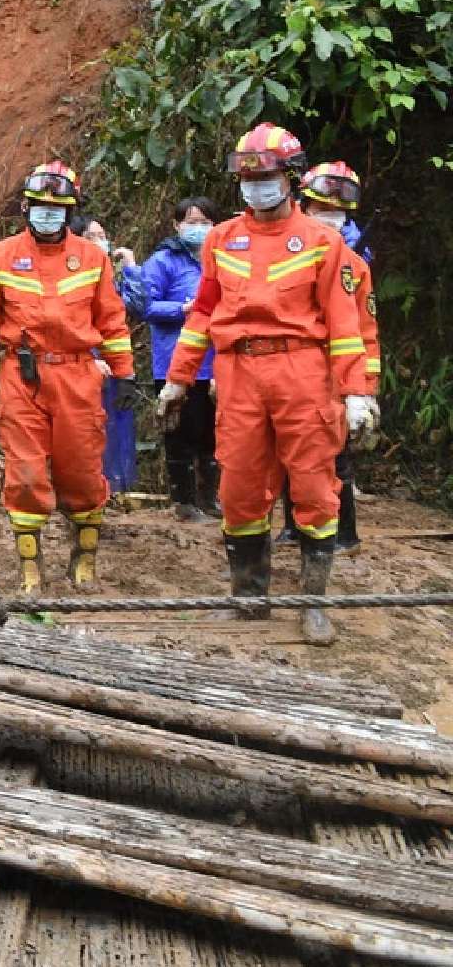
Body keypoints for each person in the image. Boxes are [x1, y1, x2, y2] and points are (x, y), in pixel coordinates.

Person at [157, 125, 376, 645]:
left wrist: (358, 393)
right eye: (248, 178)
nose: (256, 186)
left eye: (266, 176)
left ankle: (313, 603)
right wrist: (178, 379)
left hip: (303, 373)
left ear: (291, 178)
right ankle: (248, 599)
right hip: (238, 375)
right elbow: (203, 313)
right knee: (239, 487)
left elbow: (345, 326)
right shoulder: (221, 239)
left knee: (314, 487)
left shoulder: (323, 242)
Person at [0, 163, 135, 593]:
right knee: (25, 473)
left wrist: (125, 374)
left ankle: (84, 558)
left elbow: (112, 321)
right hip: (22, 377)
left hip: (78, 375)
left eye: (57, 208)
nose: (47, 214)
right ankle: (30, 567)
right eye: (39, 206)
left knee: (82, 471)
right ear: (25, 207)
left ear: (71, 211)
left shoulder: (92, 258)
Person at [280, 162, 379, 555]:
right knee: (287, 453)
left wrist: (364, 391)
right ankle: (292, 528)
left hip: (335, 374)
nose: (329, 217)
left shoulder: (355, 266)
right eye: (322, 209)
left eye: (337, 212)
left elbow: (365, 331)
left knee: (335, 458)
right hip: (288, 371)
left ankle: (344, 534)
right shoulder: (283, 254)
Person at [128, 197, 220, 522]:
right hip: (173, 363)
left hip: (217, 364)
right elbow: (144, 306)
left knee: (213, 434)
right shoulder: (163, 261)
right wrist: (181, 309)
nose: (199, 229)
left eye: (205, 222)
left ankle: (211, 499)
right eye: (192, 222)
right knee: (179, 433)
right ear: (177, 225)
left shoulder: (221, 258)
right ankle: (184, 503)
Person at [78, 219, 137, 498]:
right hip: (82, 364)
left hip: (114, 361)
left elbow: (134, 306)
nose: (99, 242)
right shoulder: (73, 277)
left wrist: (131, 268)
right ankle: (90, 490)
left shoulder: (110, 276)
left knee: (117, 426)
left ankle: (116, 488)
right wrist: (88, 358)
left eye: (102, 236)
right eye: (91, 236)